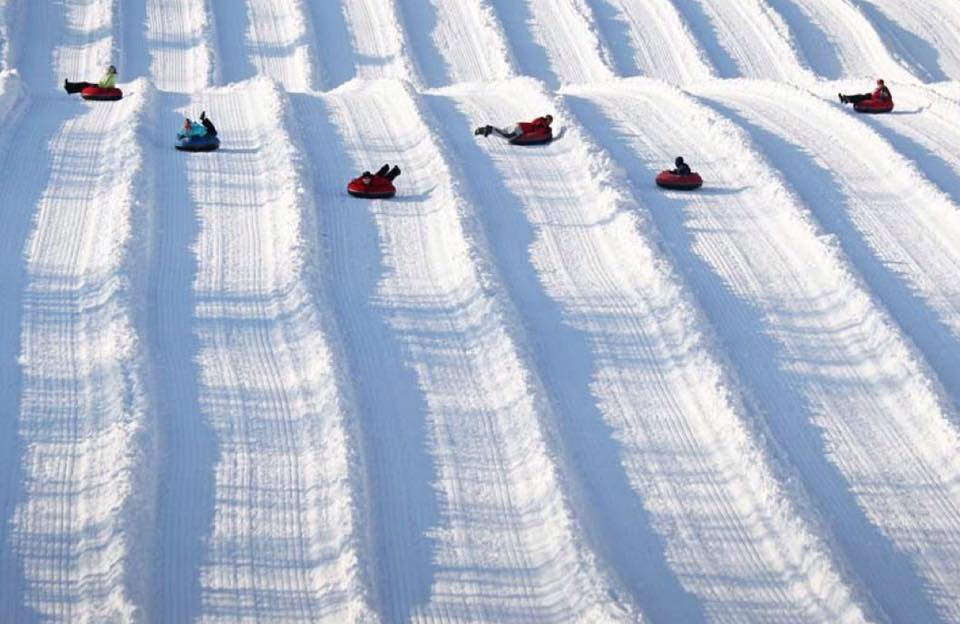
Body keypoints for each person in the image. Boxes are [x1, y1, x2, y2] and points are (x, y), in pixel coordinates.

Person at [475, 114, 553, 140]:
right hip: (520, 130)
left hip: (519, 125)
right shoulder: (541, 125)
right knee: (506, 136)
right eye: (550, 122)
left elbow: (533, 125)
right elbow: (535, 134)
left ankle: (483, 130)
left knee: (503, 131)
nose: (550, 123)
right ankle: (489, 129)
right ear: (548, 121)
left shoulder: (539, 119)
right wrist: (525, 137)